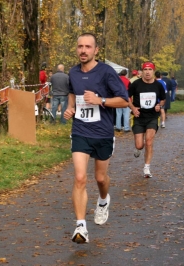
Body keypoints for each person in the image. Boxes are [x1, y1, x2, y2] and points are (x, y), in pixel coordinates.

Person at [63, 33, 129, 244]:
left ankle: (103, 200)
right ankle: (80, 226)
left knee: (100, 178)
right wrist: (71, 108)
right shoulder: (73, 72)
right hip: (81, 131)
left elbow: (124, 101)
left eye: (88, 47)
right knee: (80, 177)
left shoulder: (107, 72)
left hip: (103, 133)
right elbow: (73, 93)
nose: (83, 50)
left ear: (96, 50)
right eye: (80, 47)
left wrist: (100, 100)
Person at [129, 62, 166, 178]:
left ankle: (147, 168)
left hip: (152, 117)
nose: (148, 72)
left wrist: (159, 105)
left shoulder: (158, 85)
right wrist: (133, 108)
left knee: (149, 142)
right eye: (145, 69)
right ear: (142, 71)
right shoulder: (135, 84)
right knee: (140, 145)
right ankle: (139, 149)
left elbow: (163, 99)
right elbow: (127, 98)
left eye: (150, 69)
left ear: (153, 71)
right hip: (138, 117)